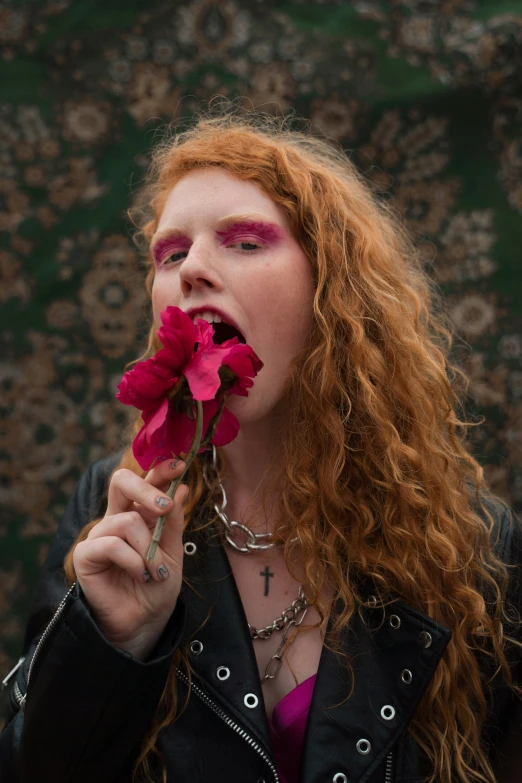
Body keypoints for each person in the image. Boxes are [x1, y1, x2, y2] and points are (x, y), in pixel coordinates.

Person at [1, 108, 522, 783]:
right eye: (170, 253)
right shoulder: (114, 518)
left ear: (332, 293)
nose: (192, 270)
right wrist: (112, 646)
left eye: (245, 242)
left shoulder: (476, 545)